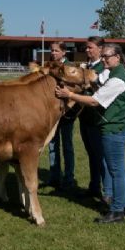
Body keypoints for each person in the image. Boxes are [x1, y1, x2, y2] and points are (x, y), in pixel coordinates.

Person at [56, 43, 125, 224]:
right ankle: (124, 207)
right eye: (104, 55)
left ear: (118, 57)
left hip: (113, 129)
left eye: (107, 56)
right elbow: (96, 84)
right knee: (119, 170)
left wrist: (69, 95)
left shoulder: (117, 79)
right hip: (116, 128)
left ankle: (116, 212)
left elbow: (93, 101)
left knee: (116, 171)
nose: (104, 58)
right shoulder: (115, 73)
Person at [47, 41, 76, 190]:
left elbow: (76, 90)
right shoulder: (50, 66)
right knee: (52, 146)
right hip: (51, 114)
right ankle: (54, 177)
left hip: (66, 115)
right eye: (52, 50)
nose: (53, 53)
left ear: (64, 52)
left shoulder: (71, 68)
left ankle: (69, 178)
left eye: (56, 51)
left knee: (67, 147)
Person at [78, 36, 105, 199]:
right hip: (85, 117)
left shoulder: (104, 67)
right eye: (86, 48)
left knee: (100, 156)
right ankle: (94, 186)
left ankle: (106, 191)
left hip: (97, 118)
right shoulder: (87, 66)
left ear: (100, 49)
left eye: (90, 47)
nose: (87, 50)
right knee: (91, 154)